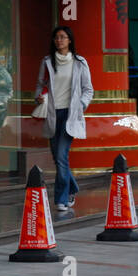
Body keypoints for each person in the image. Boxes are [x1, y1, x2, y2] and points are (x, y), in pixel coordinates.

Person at [35, 25, 93, 213]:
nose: (59, 40)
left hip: (70, 115)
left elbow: (88, 89)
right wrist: (38, 97)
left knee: (61, 156)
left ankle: (61, 198)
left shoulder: (79, 62)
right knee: (57, 157)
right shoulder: (47, 62)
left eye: (63, 37)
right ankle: (73, 188)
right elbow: (40, 85)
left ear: (69, 40)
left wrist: (81, 105)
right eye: (56, 37)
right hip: (52, 113)